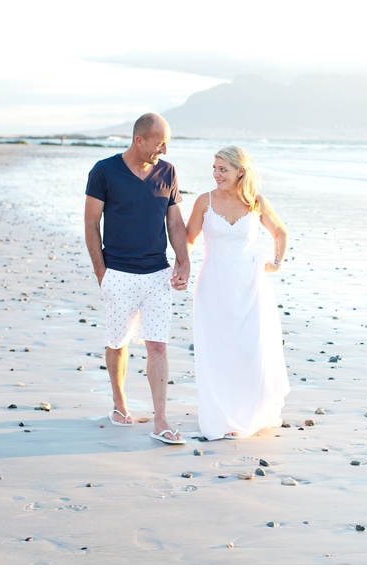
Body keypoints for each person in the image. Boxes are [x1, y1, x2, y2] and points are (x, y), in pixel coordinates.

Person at [84, 113, 190, 444]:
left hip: (157, 274)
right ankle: (119, 404)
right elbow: (91, 225)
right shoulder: (104, 171)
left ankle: (160, 420)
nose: (165, 149)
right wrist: (103, 273)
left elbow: (174, 222)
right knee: (118, 342)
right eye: (160, 143)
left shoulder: (167, 171)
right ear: (139, 140)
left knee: (158, 345)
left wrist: (183, 261)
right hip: (118, 273)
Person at [185, 146, 290, 440]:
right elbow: (188, 238)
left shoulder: (256, 202)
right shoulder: (204, 201)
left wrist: (275, 263)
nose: (217, 174)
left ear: (240, 171)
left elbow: (280, 232)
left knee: (249, 348)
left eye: (223, 169)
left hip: (250, 284)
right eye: (215, 168)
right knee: (217, 349)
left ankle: (249, 413)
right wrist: (183, 266)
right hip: (213, 284)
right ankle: (222, 416)